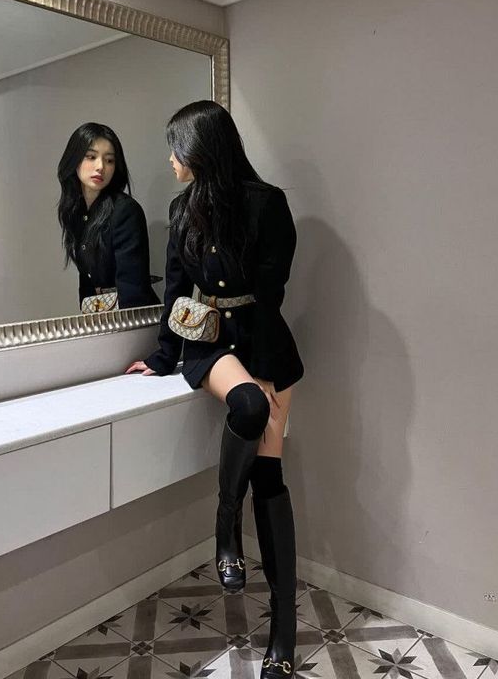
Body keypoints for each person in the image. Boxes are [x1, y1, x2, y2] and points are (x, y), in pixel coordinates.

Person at [126, 100, 304, 679]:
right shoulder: (181, 210)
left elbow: (271, 292)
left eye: (175, 148)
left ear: (200, 150)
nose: (170, 160)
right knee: (248, 404)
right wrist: (162, 355)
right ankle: (226, 522)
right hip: (211, 343)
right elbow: (178, 291)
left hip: (264, 340)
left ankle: (283, 631)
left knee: (270, 478)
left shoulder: (267, 203)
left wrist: (260, 359)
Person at [57, 122, 159, 310]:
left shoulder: (125, 210)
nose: (100, 166)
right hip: (101, 315)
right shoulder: (76, 211)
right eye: (91, 157)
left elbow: (132, 289)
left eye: (109, 160)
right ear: (74, 159)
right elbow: (86, 281)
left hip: (131, 317)